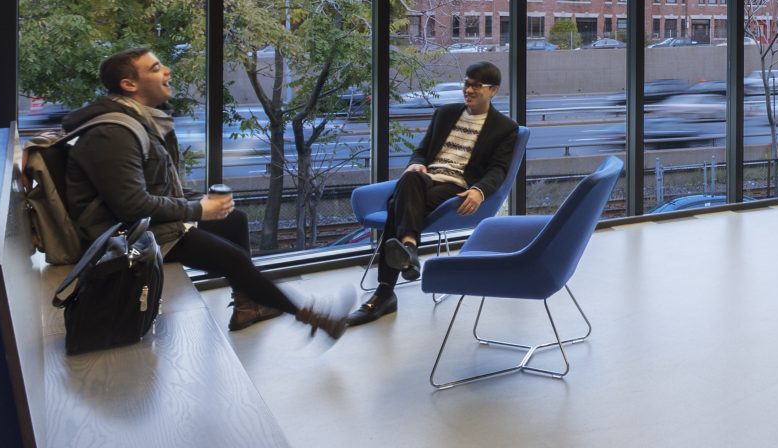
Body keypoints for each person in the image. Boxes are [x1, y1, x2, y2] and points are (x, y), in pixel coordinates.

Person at [64, 48, 350, 338]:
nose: (167, 72)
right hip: (126, 238)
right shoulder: (113, 133)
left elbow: (154, 185)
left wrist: (202, 203)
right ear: (129, 84)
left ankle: (248, 305)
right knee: (233, 259)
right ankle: (313, 318)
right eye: (155, 68)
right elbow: (132, 206)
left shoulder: (140, 122)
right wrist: (199, 209)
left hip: (142, 226)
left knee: (233, 219)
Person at [347, 61, 519, 326]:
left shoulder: (504, 128)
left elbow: (498, 170)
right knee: (411, 177)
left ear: (493, 90)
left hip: (456, 187)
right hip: (426, 178)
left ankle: (385, 292)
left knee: (397, 203)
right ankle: (409, 249)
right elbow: (422, 150)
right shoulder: (445, 113)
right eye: (466, 83)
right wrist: (415, 162)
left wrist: (479, 191)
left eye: (476, 85)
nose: (469, 90)